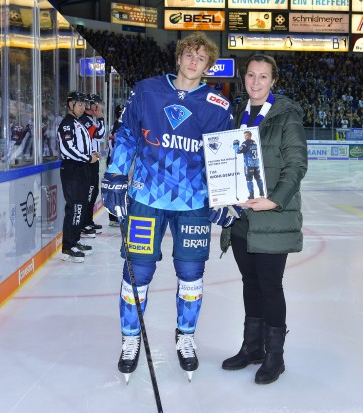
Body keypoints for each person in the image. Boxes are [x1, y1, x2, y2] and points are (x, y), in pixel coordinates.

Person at [101, 31, 233, 383]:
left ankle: (185, 336)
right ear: (178, 57)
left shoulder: (218, 106)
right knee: (137, 273)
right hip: (147, 200)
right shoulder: (146, 90)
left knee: (191, 275)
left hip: (193, 204)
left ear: (208, 66)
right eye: (189, 54)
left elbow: (225, 156)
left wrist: (226, 196)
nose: (193, 61)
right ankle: (131, 340)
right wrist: (115, 175)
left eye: (201, 58)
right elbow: (127, 134)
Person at [211, 54, 307, 385]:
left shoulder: (286, 116)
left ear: (273, 81)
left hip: (270, 217)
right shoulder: (237, 113)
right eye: (251, 75)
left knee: (269, 286)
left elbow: (296, 166)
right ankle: (252, 347)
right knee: (250, 284)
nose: (255, 82)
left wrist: (274, 200)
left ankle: (275, 357)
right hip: (241, 219)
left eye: (263, 77)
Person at [56, 91, 98, 263]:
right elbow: (67, 149)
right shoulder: (67, 124)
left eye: (83, 104)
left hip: (82, 168)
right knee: (75, 207)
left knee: (80, 206)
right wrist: (87, 157)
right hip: (73, 169)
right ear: (70, 105)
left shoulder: (78, 123)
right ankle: (68, 246)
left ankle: (75, 240)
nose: (82, 107)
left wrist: (90, 154)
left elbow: (81, 147)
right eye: (78, 104)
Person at [78, 94, 105, 238]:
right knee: (88, 193)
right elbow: (100, 135)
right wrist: (101, 118)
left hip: (93, 160)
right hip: (87, 162)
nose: (101, 109)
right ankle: (84, 223)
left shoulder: (89, 120)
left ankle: (88, 220)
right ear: (93, 106)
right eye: (99, 106)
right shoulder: (85, 121)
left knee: (93, 193)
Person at [106, 103, 124, 227]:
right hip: (116, 162)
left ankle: (116, 215)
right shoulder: (119, 126)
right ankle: (114, 216)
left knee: (117, 188)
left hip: (116, 161)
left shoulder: (117, 125)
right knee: (115, 189)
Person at [233, 129, 265, 199]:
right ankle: (262, 192)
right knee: (258, 178)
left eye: (246, 135)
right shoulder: (254, 142)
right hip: (256, 164)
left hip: (249, 164)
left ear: (249, 136)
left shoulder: (246, 142)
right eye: (244, 136)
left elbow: (238, 151)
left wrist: (235, 144)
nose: (245, 137)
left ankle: (251, 195)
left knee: (249, 179)